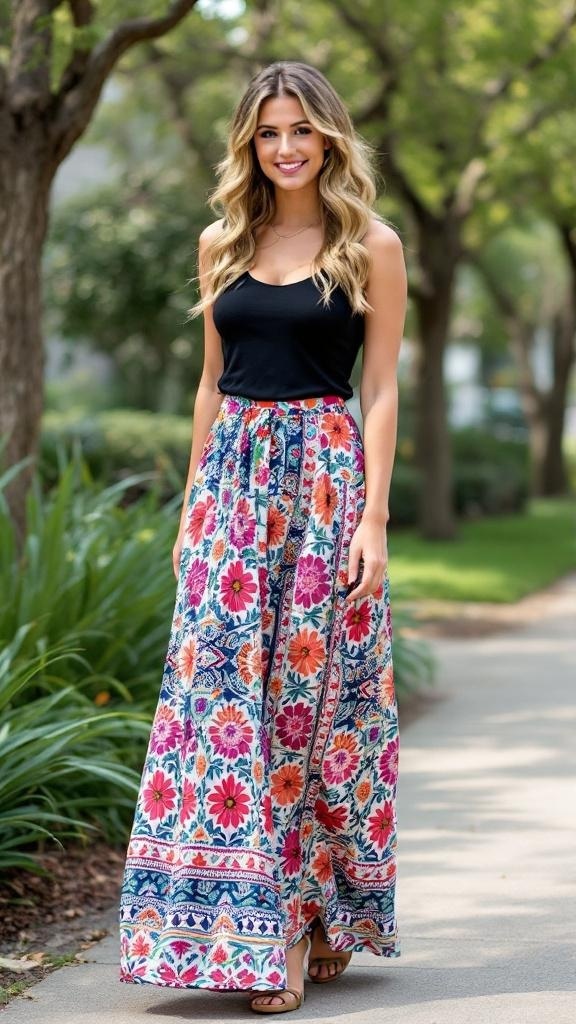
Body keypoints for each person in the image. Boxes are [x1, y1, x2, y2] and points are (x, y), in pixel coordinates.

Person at [119, 59, 407, 1015]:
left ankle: (303, 921)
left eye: (301, 130)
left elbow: (382, 387)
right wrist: (194, 505)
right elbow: (211, 380)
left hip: (324, 483)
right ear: (249, 142)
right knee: (222, 704)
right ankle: (240, 927)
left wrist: (373, 517)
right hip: (234, 486)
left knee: (311, 708)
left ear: (329, 136)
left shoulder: (370, 244)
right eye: (268, 132)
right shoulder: (221, 242)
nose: (285, 148)